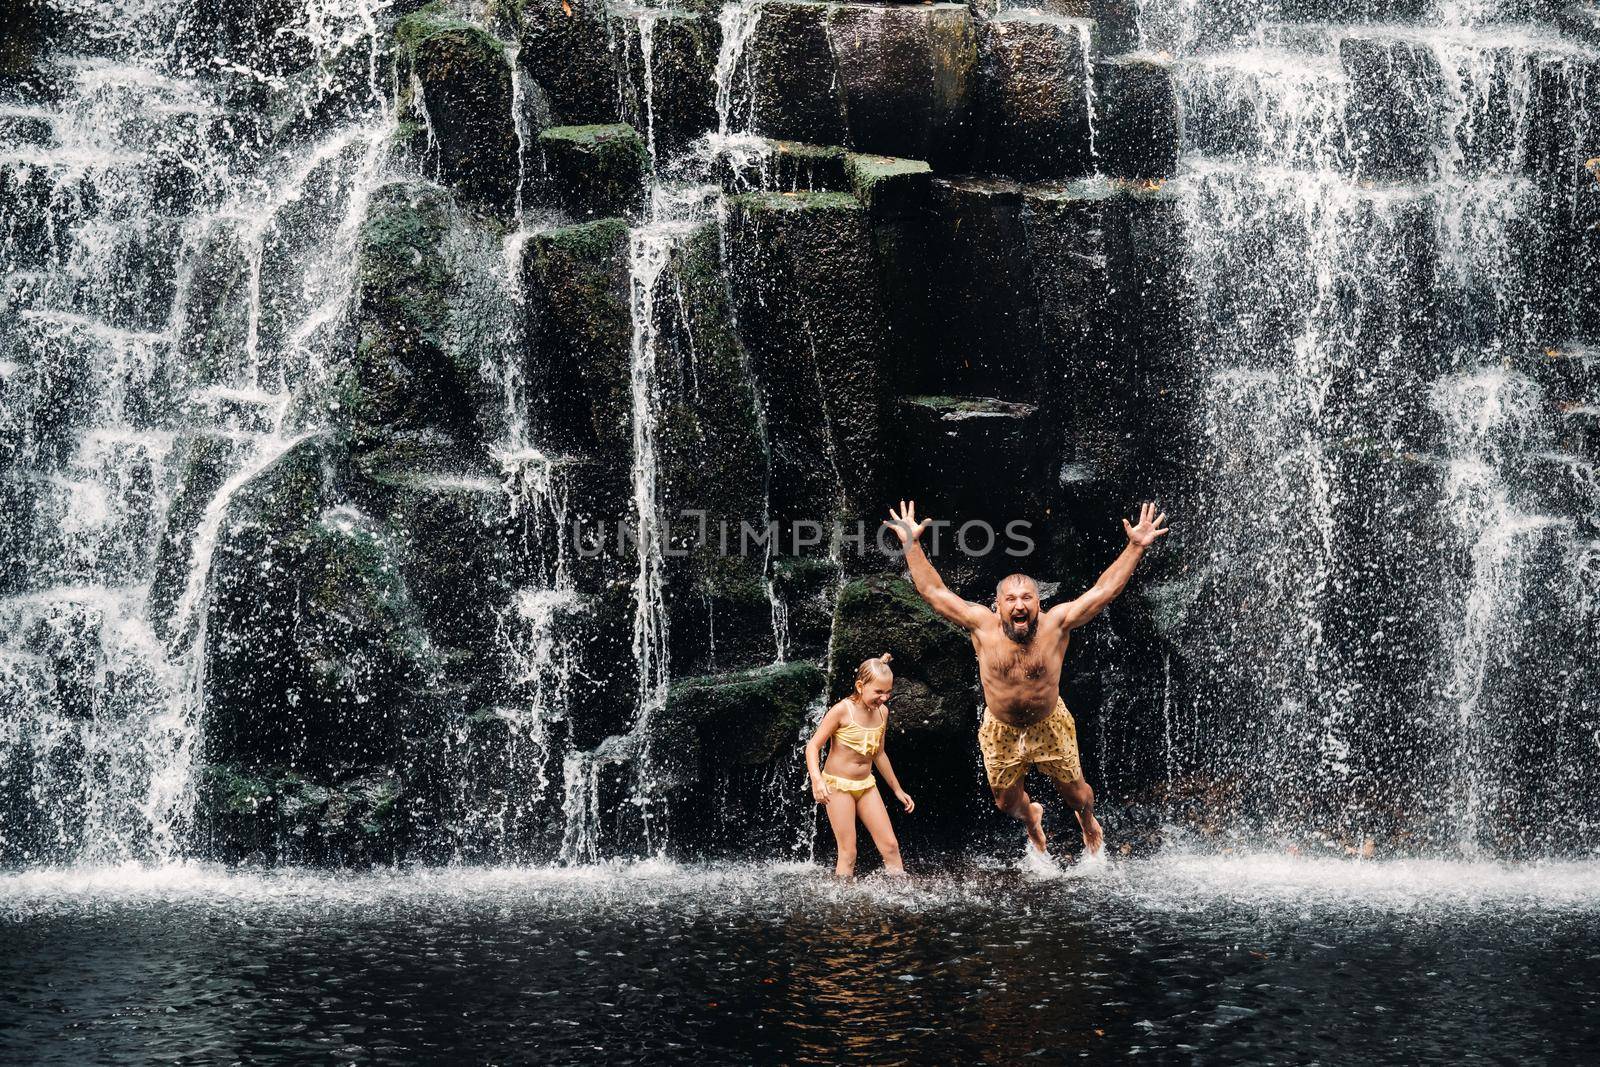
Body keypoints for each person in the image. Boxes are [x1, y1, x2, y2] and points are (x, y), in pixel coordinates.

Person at [886, 500, 1170, 857]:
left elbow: (1103, 592)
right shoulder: (980, 625)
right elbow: (934, 592)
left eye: (1027, 598)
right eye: (1011, 599)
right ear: (997, 605)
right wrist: (911, 543)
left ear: (1038, 603)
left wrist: (1135, 546)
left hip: (1049, 723)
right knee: (1006, 803)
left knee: (1076, 794)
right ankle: (1031, 817)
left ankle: (1086, 818)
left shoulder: (1056, 624)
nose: (1019, 605)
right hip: (1000, 727)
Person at [805, 653, 915, 878]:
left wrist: (897, 789)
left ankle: (900, 899)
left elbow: (879, 754)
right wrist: (817, 780)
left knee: (890, 846)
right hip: (838, 787)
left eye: (888, 692)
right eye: (878, 692)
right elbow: (812, 747)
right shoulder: (842, 711)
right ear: (860, 685)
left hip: (866, 785)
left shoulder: (882, 712)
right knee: (848, 853)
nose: (884, 698)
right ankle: (842, 907)